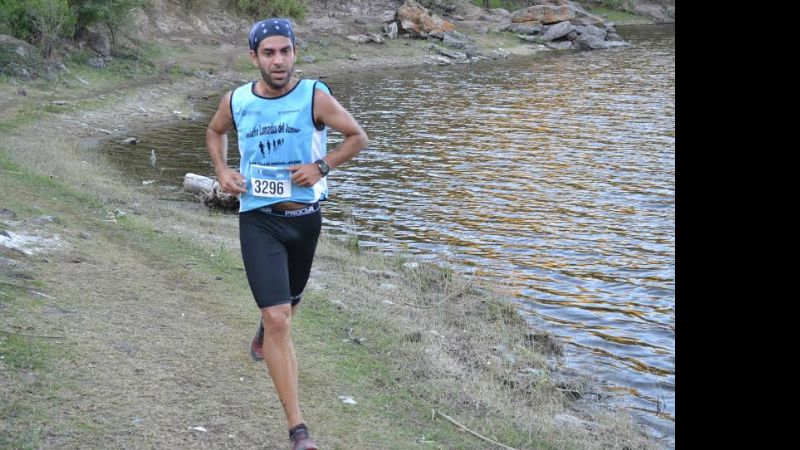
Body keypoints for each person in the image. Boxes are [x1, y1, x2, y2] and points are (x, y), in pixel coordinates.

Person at [206, 17, 368, 450]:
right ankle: (299, 430)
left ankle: (265, 326)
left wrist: (322, 166)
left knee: (288, 307)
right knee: (279, 318)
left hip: (305, 220)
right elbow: (215, 131)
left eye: (285, 51)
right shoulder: (237, 100)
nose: (278, 61)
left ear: (295, 52)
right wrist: (222, 170)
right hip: (259, 218)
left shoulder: (314, 95)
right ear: (254, 57)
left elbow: (357, 137)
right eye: (269, 53)